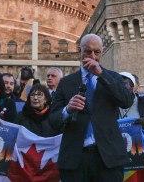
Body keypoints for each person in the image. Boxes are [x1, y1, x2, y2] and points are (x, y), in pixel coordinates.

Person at [49, 34, 133, 182]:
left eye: (97, 52)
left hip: (108, 158)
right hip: (75, 159)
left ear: (102, 52)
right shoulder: (66, 83)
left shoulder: (113, 77)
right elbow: (53, 120)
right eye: (87, 51)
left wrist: (101, 74)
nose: (92, 56)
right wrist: (67, 110)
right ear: (79, 51)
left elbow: (126, 101)